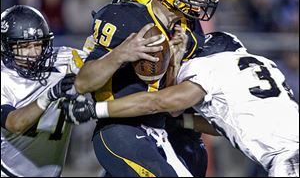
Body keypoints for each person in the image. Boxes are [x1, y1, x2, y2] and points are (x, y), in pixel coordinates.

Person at [65, 31, 299, 177]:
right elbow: (226, 126)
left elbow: (162, 102)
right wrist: (182, 121)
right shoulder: (265, 65)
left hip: (289, 160)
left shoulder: (210, 65)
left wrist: (97, 109)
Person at [73, 0, 218, 177]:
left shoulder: (187, 27)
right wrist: (121, 54)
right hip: (121, 129)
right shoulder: (128, 19)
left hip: (162, 129)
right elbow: (83, 83)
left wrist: (174, 63)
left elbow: (173, 105)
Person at [0, 5, 86, 177]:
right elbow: (15, 123)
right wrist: (50, 95)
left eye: (38, 44)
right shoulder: (4, 78)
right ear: (6, 47)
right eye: (23, 46)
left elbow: (101, 65)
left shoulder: (63, 59)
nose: (32, 53)